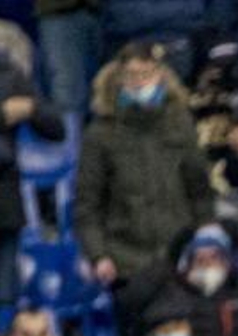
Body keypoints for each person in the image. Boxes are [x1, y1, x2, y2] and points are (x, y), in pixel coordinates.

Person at [75, 41, 213, 293]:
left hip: (181, 256)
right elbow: (87, 205)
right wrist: (98, 255)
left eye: (146, 74)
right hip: (126, 263)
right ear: (120, 79)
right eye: (131, 76)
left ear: (159, 74)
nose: (139, 82)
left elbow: (200, 189)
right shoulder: (100, 133)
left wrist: (206, 236)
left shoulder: (180, 123)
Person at [0, 1, 65, 321]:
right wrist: (0, 114)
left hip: (0, 200)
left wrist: (32, 109)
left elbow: (56, 128)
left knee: (3, 299)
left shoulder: (8, 74)